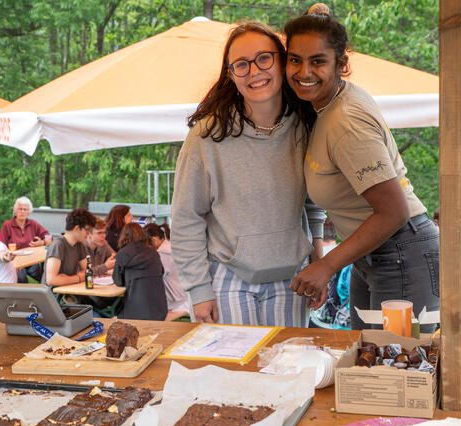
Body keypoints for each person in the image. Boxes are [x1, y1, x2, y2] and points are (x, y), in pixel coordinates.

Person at [283, 6, 440, 331]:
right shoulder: (328, 106)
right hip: (374, 255)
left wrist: (326, 266)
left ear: (342, 64)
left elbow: (393, 211)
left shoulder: (346, 121)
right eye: (295, 59)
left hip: (400, 251)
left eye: (318, 61)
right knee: (368, 370)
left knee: (395, 374)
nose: (303, 71)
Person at [170, 22, 325, 327]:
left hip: (291, 280)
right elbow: (186, 219)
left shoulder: (307, 126)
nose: (255, 71)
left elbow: (314, 200)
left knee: (288, 371)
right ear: (230, 75)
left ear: (281, 61)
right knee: (236, 374)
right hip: (227, 279)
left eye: (264, 58)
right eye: (241, 65)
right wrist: (198, 291)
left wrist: (318, 263)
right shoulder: (206, 137)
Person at [113, 223, 168, 321]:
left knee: (111, 314)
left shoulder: (122, 254)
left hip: (134, 312)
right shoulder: (154, 254)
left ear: (124, 236)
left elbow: (118, 281)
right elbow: (161, 272)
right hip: (159, 310)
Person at [144, 223, 190, 321]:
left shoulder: (163, 254)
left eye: (147, 244)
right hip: (183, 296)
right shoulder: (170, 246)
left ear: (154, 240)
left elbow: (153, 277)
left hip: (176, 302)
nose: (146, 247)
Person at [42, 208, 97, 286]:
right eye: (87, 230)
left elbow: (88, 271)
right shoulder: (58, 245)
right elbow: (51, 280)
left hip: (69, 290)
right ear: (77, 228)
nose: (88, 234)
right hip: (54, 295)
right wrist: (78, 278)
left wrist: (66, 279)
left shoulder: (79, 245)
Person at [0, 196, 49, 282]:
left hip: (31, 260)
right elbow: (2, 247)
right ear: (15, 211)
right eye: (20, 209)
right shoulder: (7, 225)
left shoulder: (33, 224)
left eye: (25, 209)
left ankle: (46, 293)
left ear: (29, 212)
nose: (22, 212)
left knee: (44, 275)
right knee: (21, 278)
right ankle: (25, 295)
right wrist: (14, 263)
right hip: (15, 261)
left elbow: (48, 236)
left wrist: (42, 242)